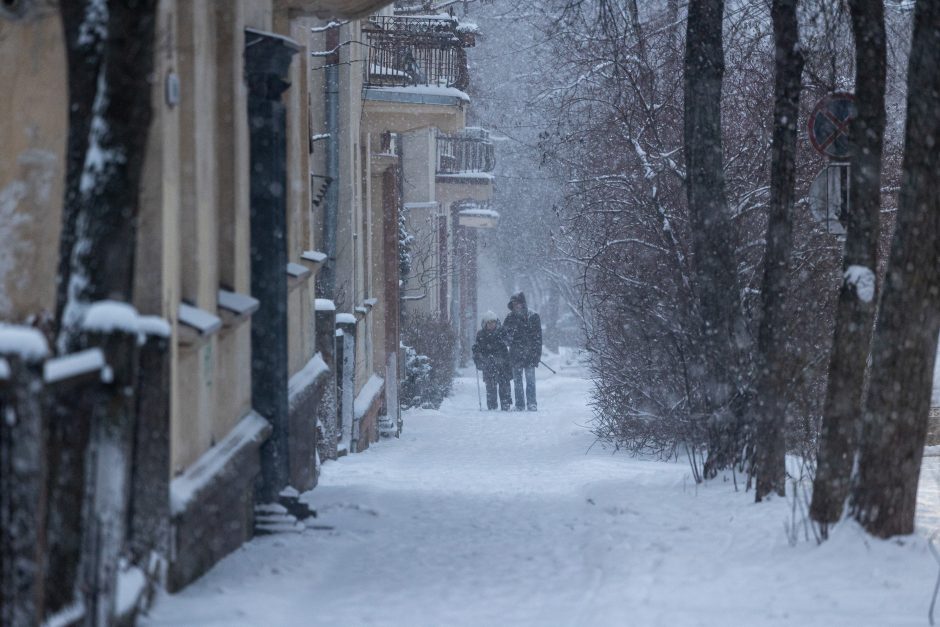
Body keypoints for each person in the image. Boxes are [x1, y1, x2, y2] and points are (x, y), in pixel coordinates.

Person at [503, 292, 542, 411]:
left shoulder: (533, 316)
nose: (516, 306)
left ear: (522, 303)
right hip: (515, 355)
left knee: (530, 381)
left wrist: (537, 355)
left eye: (518, 303)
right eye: (514, 304)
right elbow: (504, 336)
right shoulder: (510, 318)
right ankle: (520, 404)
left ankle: (531, 403)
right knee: (517, 381)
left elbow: (538, 338)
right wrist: (510, 338)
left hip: (530, 354)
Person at [472, 311, 512, 410]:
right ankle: (492, 404)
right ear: (485, 324)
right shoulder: (481, 334)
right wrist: (476, 351)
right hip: (488, 363)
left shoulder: (502, 332)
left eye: (493, 322)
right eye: (489, 323)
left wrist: (503, 341)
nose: (491, 325)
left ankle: (505, 403)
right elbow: (478, 347)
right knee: (490, 385)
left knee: (504, 384)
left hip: (502, 363)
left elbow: (508, 341)